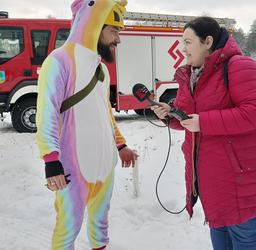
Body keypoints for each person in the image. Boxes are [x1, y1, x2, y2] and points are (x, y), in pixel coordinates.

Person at [151, 16, 256, 250]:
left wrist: (203, 122)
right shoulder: (193, 74)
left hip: (239, 175)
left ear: (207, 41)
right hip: (210, 176)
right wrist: (170, 115)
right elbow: (189, 118)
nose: (182, 48)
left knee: (243, 238)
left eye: (187, 42)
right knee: (219, 235)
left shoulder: (240, 65)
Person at [36, 0, 138, 249]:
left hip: (104, 165)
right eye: (114, 31)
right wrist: (51, 160)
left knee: (100, 225)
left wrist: (121, 145)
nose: (118, 40)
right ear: (96, 26)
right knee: (67, 229)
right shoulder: (59, 61)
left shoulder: (102, 70)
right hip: (73, 168)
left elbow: (106, 114)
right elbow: (46, 113)